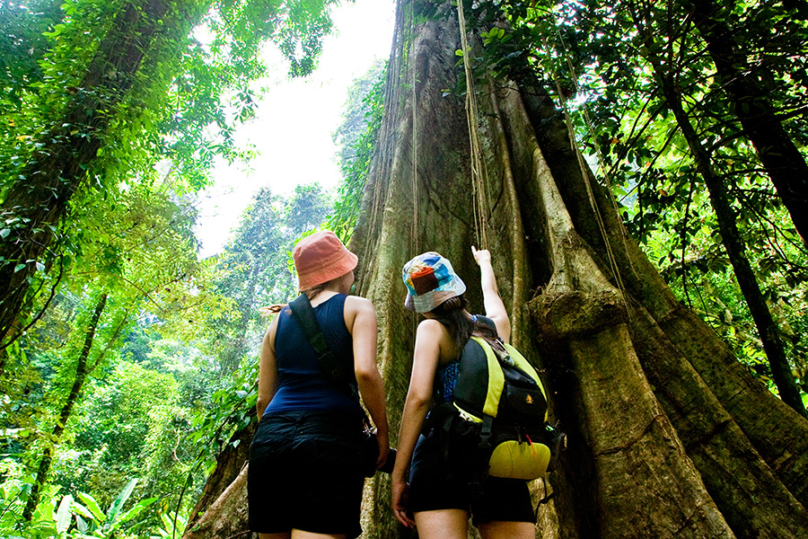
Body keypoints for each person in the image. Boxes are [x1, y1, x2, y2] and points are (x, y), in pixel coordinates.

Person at [249, 230, 389, 539]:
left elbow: (263, 401)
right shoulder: (357, 307)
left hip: (270, 441)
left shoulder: (278, 321)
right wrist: (382, 431)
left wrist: (278, 439)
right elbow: (365, 371)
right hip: (329, 439)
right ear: (341, 269)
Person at [391, 247, 535, 539]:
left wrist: (398, 476)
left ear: (421, 302)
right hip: (498, 450)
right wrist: (485, 263)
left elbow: (418, 399)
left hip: (441, 454)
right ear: (455, 286)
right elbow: (492, 295)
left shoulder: (431, 329)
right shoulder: (494, 329)